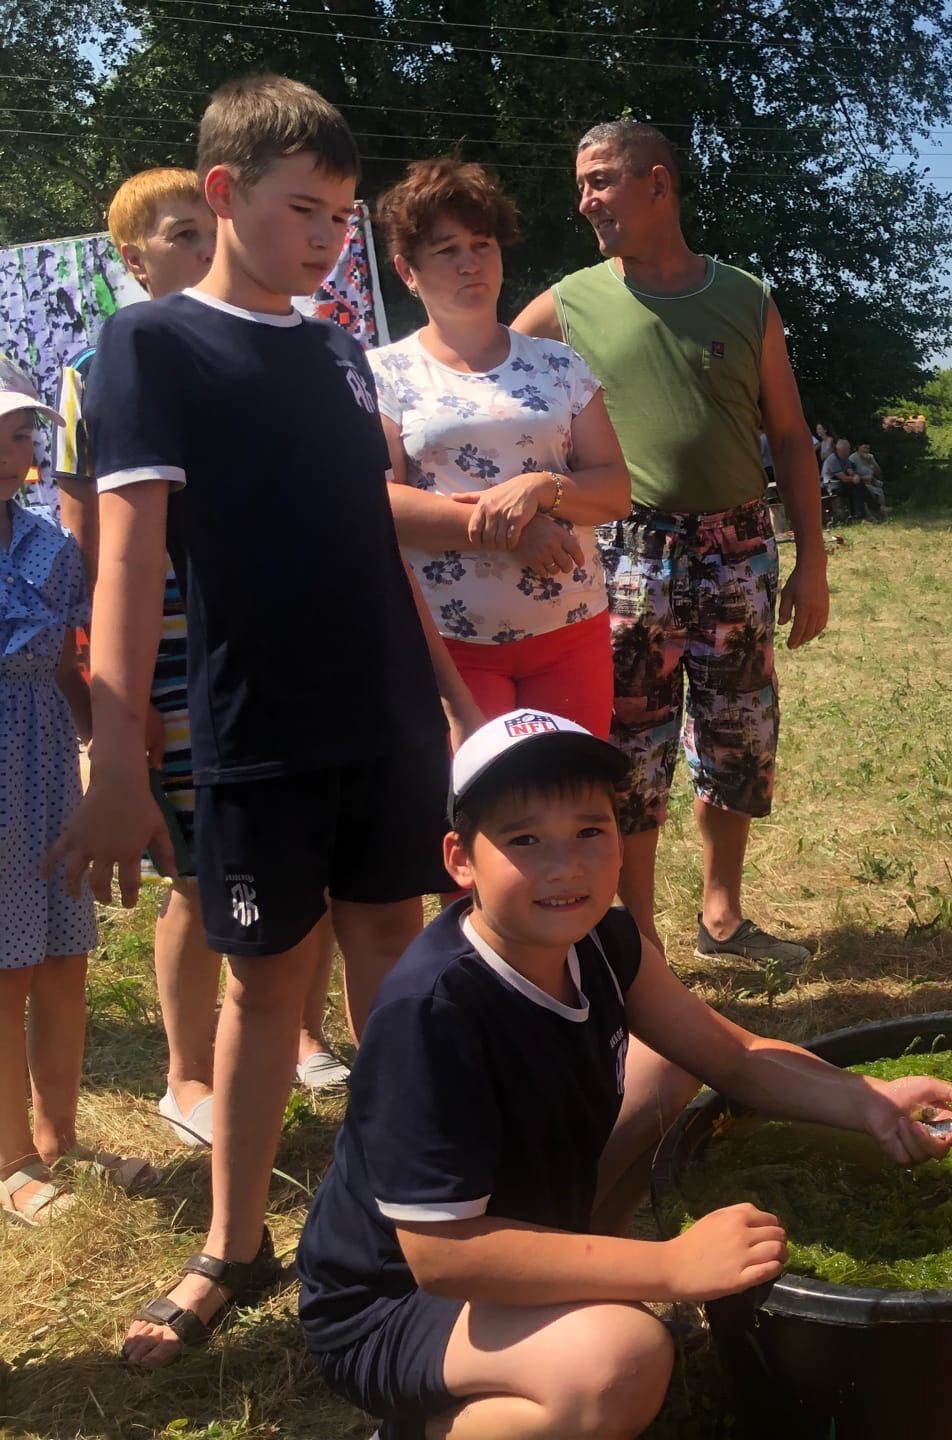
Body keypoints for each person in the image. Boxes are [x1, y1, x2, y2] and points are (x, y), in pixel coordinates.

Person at [48, 75, 482, 1366]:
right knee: (263, 989)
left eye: (346, 219)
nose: (330, 239)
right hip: (257, 727)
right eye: (308, 210)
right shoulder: (151, 344)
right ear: (226, 194)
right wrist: (118, 762)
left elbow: (371, 537)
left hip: (388, 716)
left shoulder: (340, 347)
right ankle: (235, 1245)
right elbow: (129, 563)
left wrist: (455, 699)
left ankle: (413, 1223)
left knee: (397, 959)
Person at [296, 708, 952, 1440]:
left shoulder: (605, 938)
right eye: (524, 840)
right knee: (622, 1362)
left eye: (590, 831)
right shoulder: (433, 1012)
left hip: (514, 1235)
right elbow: (441, 1256)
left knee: (664, 1067)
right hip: (393, 1304)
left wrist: (869, 1101)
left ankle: (582, 1307)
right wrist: (670, 1267)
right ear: (461, 861)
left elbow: (733, 1055)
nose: (566, 867)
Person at [52, 167, 350, 1154]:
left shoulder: (286, 353)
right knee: (194, 867)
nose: (199, 246)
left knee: (301, 848)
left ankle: (301, 1032)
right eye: (179, 234)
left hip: (275, 639)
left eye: (203, 228)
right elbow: (94, 548)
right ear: (133, 260)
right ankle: (185, 1074)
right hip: (170, 649)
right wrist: (114, 710)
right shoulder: (101, 371)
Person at [513, 119, 827, 975]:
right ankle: (639, 943)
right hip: (621, 555)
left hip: (738, 550)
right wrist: (538, 503)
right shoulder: (566, 304)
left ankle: (722, 918)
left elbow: (793, 438)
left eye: (603, 180)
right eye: (582, 184)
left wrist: (814, 564)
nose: (586, 201)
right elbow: (495, 396)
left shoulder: (744, 297)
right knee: (628, 750)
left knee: (738, 737)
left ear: (659, 183)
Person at [371, 158, 631, 735]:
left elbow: (615, 490)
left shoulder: (560, 366)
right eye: (446, 250)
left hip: (572, 630)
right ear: (406, 271)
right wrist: (515, 527)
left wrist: (541, 488)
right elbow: (375, 503)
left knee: (568, 797)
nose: (469, 263)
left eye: (482, 244)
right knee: (477, 811)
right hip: (448, 644)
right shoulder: (381, 376)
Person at [0, 360, 148, 1224]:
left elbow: (65, 663)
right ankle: (12, 1159)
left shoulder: (51, 546)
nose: (30, 442)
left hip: (47, 764)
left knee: (62, 957)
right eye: (15, 430)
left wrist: (106, 746)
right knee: (4, 969)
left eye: (28, 427)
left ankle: (62, 1140)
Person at [823, 437, 873, 521]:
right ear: (840, 450)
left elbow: (850, 471)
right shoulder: (832, 460)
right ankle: (869, 511)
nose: (848, 452)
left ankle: (860, 515)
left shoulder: (845, 459)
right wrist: (854, 479)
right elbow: (844, 478)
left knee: (858, 488)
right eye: (846, 450)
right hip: (831, 486)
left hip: (841, 484)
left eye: (848, 450)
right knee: (858, 488)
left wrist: (855, 476)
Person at [850, 441, 888, 519]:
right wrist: (863, 478)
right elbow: (852, 475)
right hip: (861, 484)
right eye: (864, 448)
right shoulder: (853, 458)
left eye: (868, 448)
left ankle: (882, 514)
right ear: (859, 448)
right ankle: (871, 516)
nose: (866, 450)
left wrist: (872, 462)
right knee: (874, 492)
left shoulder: (870, 457)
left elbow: (878, 473)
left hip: (872, 482)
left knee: (879, 491)